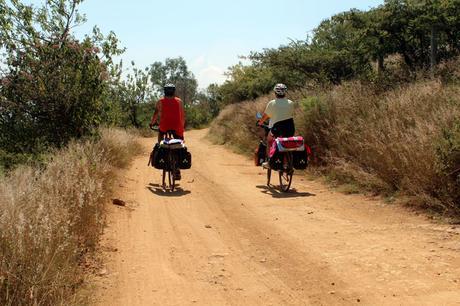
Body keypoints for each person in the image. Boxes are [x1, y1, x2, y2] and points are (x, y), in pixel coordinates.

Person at [149, 83, 185, 179]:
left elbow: (156, 114)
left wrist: (152, 123)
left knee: (160, 143)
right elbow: (182, 116)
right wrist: (182, 127)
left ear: (164, 91)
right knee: (180, 145)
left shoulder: (160, 101)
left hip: (164, 126)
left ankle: (164, 158)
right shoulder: (180, 101)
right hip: (177, 127)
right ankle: (177, 168)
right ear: (174, 91)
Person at [257, 83, 295, 168]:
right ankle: (286, 163)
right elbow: (291, 113)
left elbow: (265, 116)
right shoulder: (291, 103)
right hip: (290, 127)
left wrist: (260, 122)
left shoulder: (272, 103)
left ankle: (269, 162)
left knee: (269, 141)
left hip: (277, 128)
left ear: (275, 92)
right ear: (285, 92)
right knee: (287, 143)